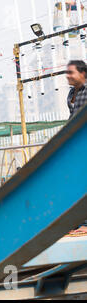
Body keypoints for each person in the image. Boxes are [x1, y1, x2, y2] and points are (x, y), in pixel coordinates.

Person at [65, 60, 87, 235]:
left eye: (71, 72)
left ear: (83, 73)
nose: (68, 76)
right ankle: (77, 222)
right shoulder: (72, 93)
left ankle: (85, 224)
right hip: (74, 144)